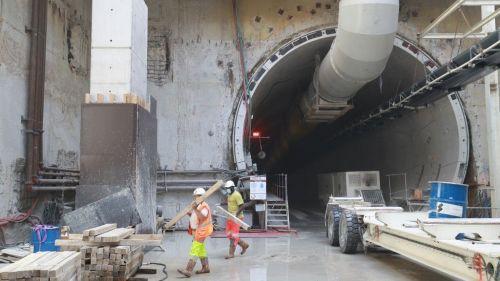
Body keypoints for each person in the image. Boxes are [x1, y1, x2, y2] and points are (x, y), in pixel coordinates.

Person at [177, 187, 213, 277]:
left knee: (195, 249)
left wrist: (195, 209)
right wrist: (190, 213)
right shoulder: (198, 206)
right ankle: (206, 267)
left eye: (197, 196)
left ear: (202, 197)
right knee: (201, 250)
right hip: (198, 230)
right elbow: (196, 216)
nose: (196, 198)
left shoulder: (204, 205)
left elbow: (202, 217)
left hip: (202, 231)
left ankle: (188, 270)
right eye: (195, 196)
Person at [224, 180, 253, 259]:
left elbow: (242, 206)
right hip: (230, 217)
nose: (227, 189)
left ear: (232, 187)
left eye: (229, 188)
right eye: (226, 188)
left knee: (233, 236)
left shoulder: (237, 195)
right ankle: (244, 245)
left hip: (237, 218)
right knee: (229, 234)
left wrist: (236, 214)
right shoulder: (229, 194)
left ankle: (231, 253)